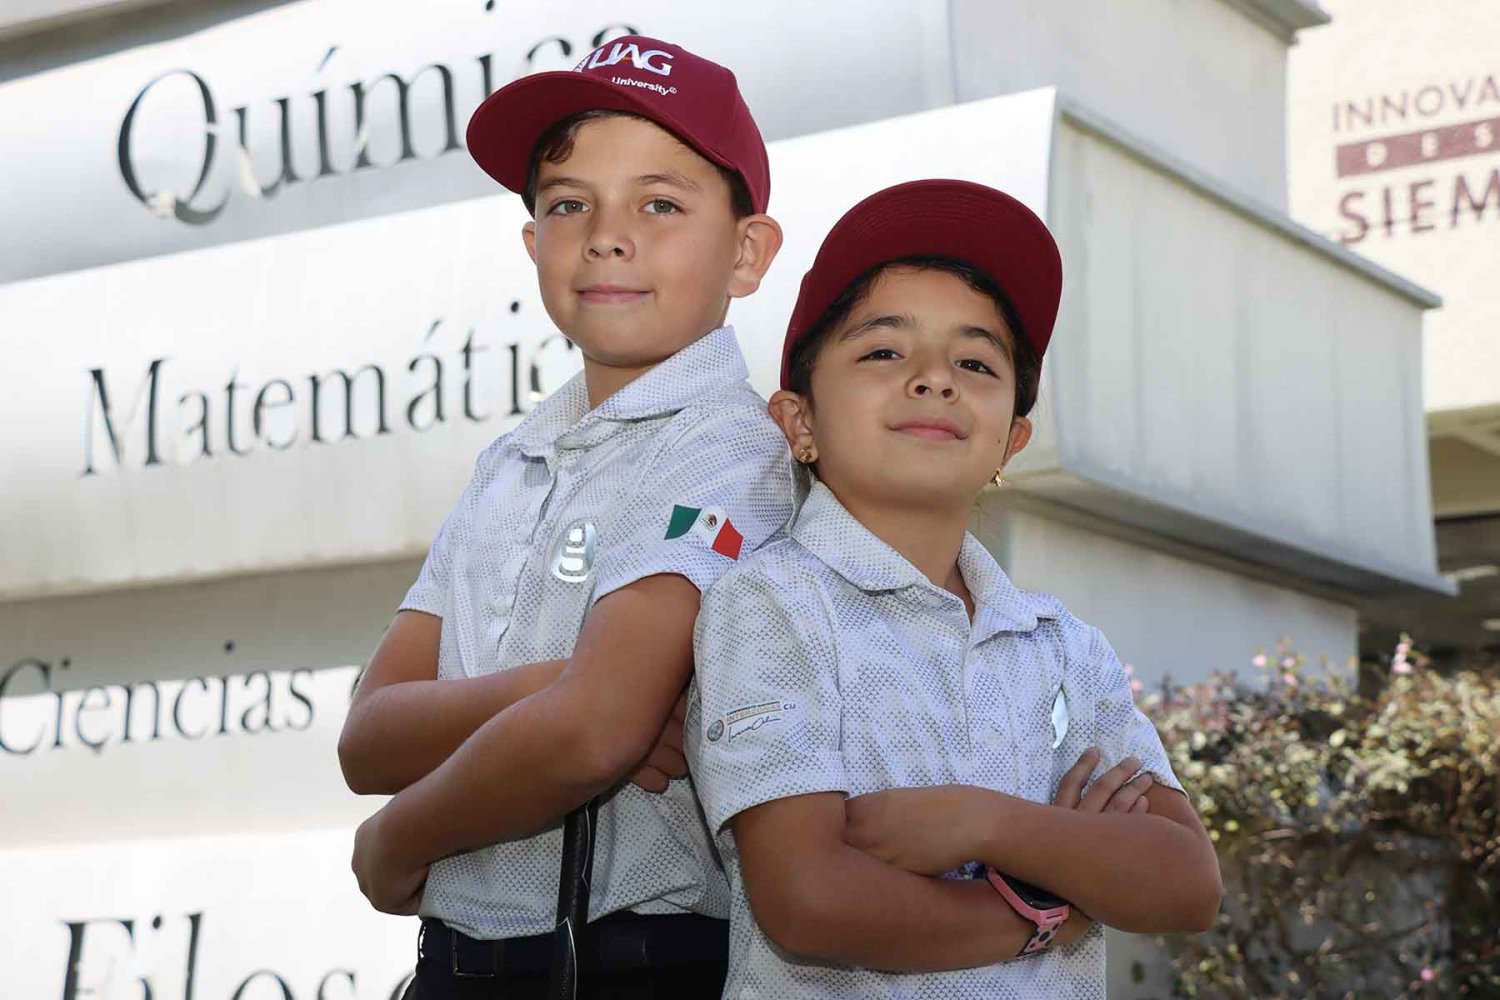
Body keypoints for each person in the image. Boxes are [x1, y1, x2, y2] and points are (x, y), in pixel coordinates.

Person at [337, 35, 792, 998]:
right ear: (533, 242)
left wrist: (397, 839)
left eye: (659, 204)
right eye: (568, 203)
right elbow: (367, 738)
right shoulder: (511, 462)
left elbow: (590, 736)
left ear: (747, 252)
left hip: (634, 965)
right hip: (456, 967)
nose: (607, 236)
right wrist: (570, 688)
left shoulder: (729, 449)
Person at [687, 179, 1223, 997]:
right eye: (884, 351)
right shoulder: (771, 604)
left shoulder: (1063, 648)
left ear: (1012, 439)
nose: (935, 378)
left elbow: (1186, 884)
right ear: (799, 422)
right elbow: (808, 901)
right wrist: (1053, 904)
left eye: (975, 362)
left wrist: (988, 822)